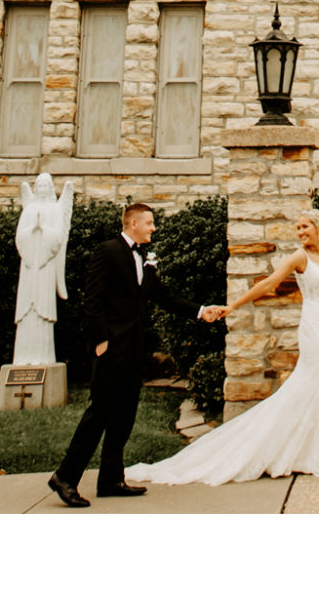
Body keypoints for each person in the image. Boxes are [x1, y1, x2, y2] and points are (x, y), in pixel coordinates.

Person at [123, 207, 319, 486]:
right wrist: (233, 306)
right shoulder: (299, 257)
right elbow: (269, 283)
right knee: (310, 383)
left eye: (305, 227)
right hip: (313, 328)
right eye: (298, 228)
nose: (300, 232)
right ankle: (295, 450)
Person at [47, 201, 216, 507]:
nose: (154, 228)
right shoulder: (108, 250)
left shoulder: (145, 257)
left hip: (134, 349)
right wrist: (101, 341)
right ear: (133, 223)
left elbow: (164, 296)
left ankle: (111, 479)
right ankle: (65, 477)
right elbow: (93, 300)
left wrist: (201, 311)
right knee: (100, 412)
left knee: (124, 413)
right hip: (111, 347)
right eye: (149, 223)